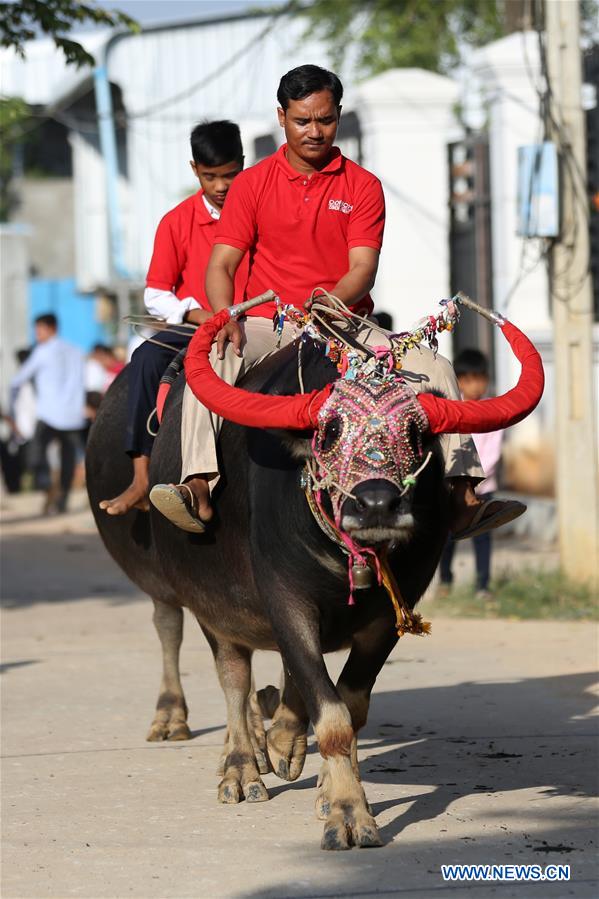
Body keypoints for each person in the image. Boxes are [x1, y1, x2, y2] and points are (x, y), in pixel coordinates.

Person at [151, 64, 523, 537]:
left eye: (325, 120)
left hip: (344, 323)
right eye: (302, 120)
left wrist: (328, 305)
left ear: (339, 116)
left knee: (435, 367)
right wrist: (226, 315)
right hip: (268, 322)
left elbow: (363, 269)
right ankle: (198, 484)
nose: (314, 131)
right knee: (215, 356)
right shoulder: (250, 184)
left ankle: (462, 496)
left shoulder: (362, 185)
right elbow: (221, 265)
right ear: (282, 118)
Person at [99, 120, 248, 516]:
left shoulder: (261, 212)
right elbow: (155, 294)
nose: (221, 186)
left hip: (258, 323)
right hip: (195, 326)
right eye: (210, 176)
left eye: (230, 175)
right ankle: (141, 476)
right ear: (194, 169)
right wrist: (200, 314)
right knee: (146, 358)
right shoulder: (176, 221)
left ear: (243, 163)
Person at [439, 349, 504, 597]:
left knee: (482, 537)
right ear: (459, 382)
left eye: (479, 379)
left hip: (483, 489)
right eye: (467, 380)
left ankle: (482, 585)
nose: (474, 385)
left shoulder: (493, 411)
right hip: (454, 486)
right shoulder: (453, 410)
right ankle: (445, 581)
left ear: (486, 380)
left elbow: (492, 453)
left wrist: (474, 481)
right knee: (446, 538)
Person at [10, 314, 86, 514]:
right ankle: (62, 500)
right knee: (68, 458)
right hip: (72, 414)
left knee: (35, 453)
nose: (37, 334)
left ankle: (47, 485)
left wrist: (14, 405)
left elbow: (18, 379)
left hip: (49, 413)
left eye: (39, 330)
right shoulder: (76, 351)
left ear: (51, 328)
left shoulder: (42, 351)